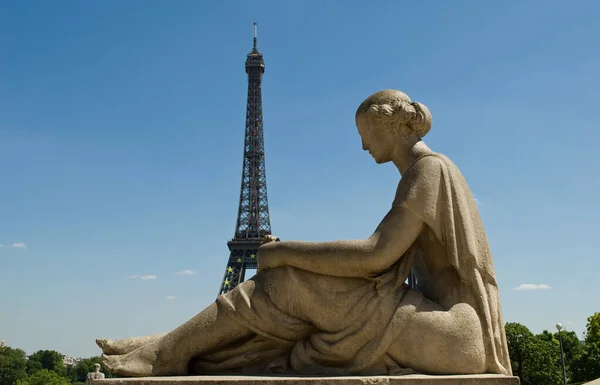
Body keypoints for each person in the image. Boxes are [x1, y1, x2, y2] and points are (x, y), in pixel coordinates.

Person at [98, 89, 512, 377]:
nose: (364, 147)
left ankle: (168, 351)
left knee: (284, 282)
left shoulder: (429, 170)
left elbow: (374, 256)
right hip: (436, 322)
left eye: (364, 134)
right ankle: (172, 344)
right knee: (290, 304)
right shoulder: (423, 172)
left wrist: (286, 252)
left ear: (385, 125)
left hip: (456, 334)